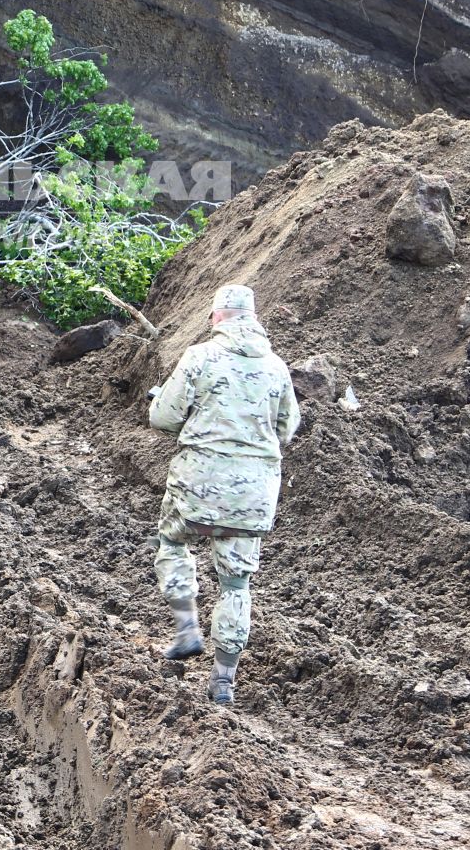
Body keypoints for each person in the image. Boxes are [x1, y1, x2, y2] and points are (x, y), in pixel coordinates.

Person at [146, 283, 300, 705]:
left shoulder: (200, 357)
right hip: (253, 495)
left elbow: (163, 417)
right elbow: (287, 429)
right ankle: (224, 679)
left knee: (172, 541)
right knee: (236, 585)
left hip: (198, 486)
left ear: (217, 317)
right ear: (252, 318)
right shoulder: (276, 367)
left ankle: (186, 629)